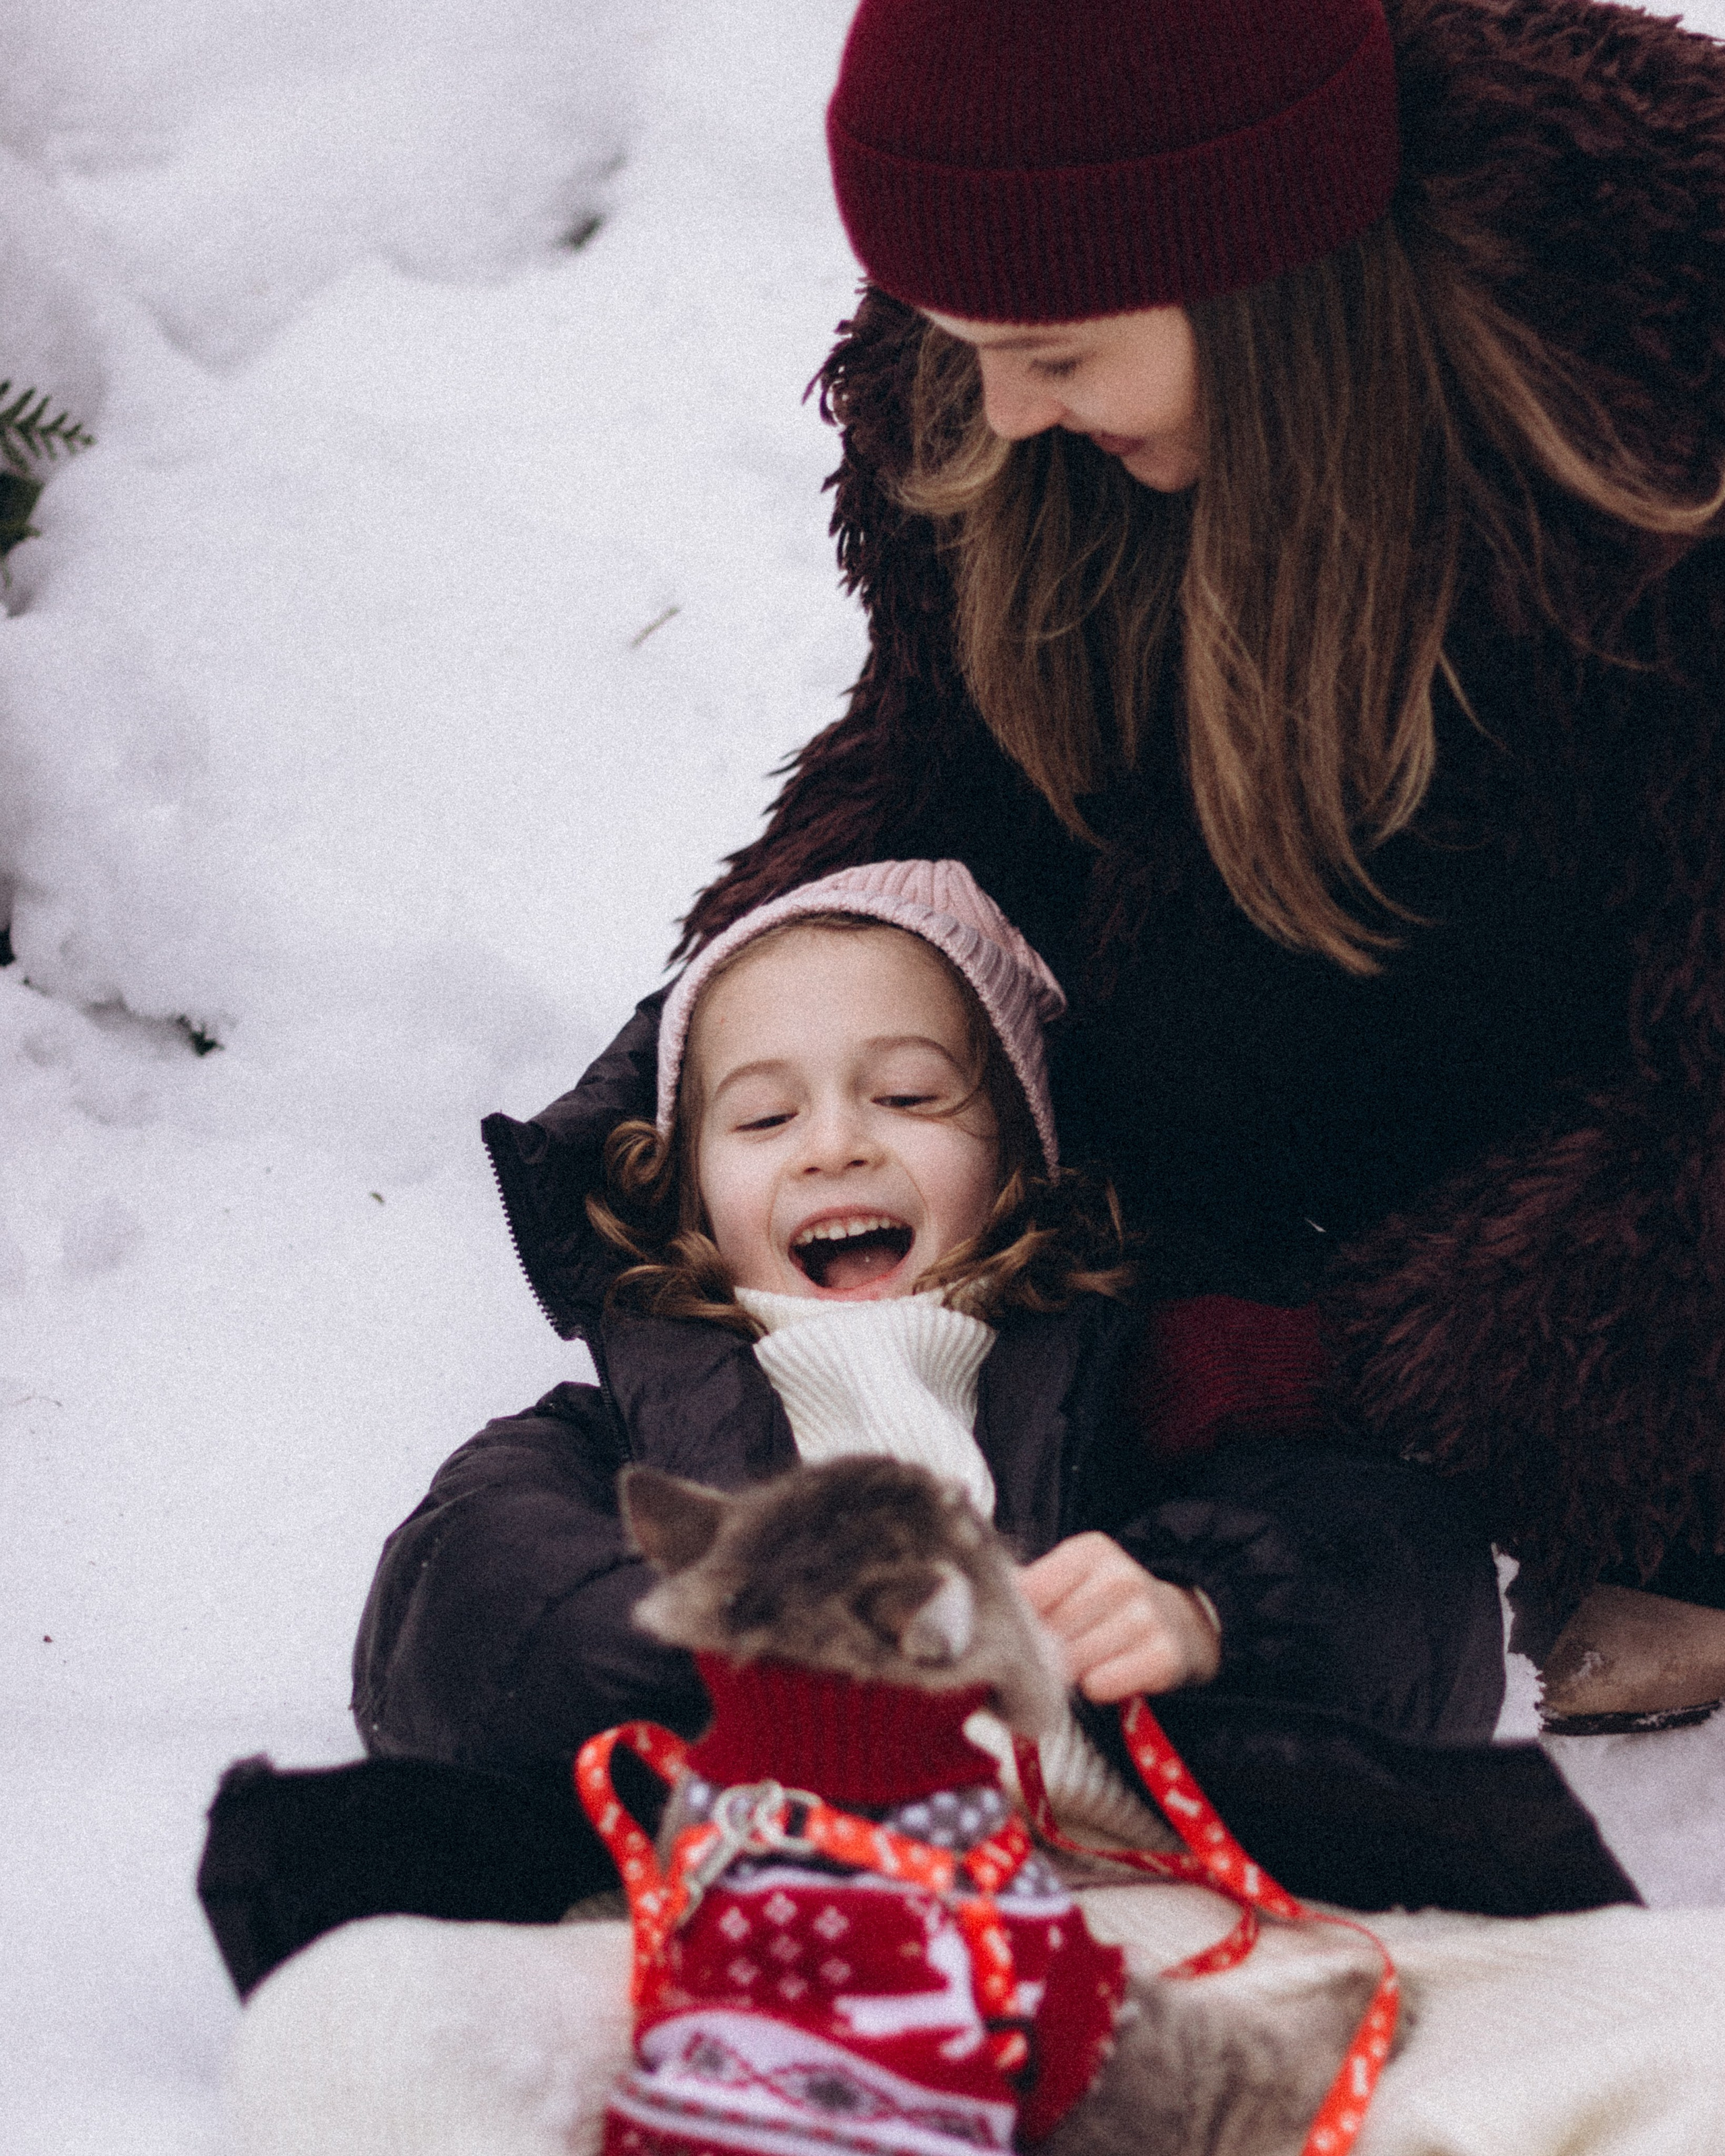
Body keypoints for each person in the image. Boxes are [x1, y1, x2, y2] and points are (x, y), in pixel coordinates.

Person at [506, 0, 1725, 1729]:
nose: (1000, 405)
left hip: (1621, 1097)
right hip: (1331, 995)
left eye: (1056, 349)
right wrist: (707, 1071)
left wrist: (1399, 1371)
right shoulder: (1005, 380)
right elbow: (936, 779)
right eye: (960, 338)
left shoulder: (1659, 410)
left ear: (1258, 270)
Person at [351, 860, 1633, 1936]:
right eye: (761, 1119)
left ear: (1019, 1158)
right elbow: (455, 1617)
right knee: (367, 2003)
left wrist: (1210, 1609)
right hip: (757, 1917)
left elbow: (1407, 1571)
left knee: (1635, 2025)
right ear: (681, 1195)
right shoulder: (613, 1445)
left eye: (908, 1096)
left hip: (1125, 1909)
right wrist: (711, 1651)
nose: (835, 1142)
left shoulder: (1143, 1390)